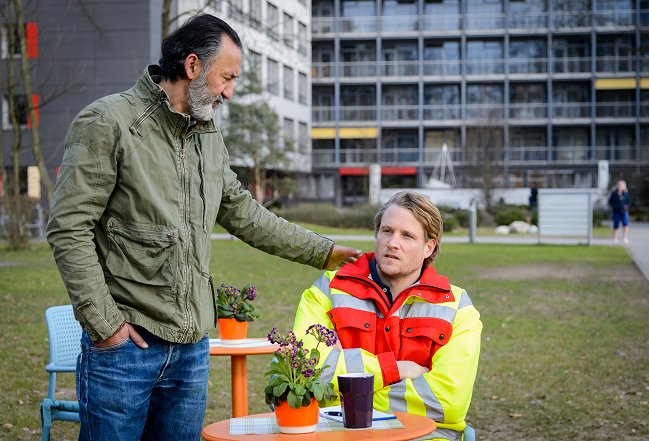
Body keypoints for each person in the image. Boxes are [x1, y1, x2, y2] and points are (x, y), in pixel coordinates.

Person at [46, 14, 361, 441]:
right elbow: (69, 228)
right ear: (192, 66)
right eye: (226, 78)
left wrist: (324, 252)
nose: (229, 92)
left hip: (191, 350)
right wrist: (107, 329)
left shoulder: (207, 134)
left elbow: (244, 213)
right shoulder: (108, 122)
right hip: (124, 349)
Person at [293, 191, 482, 441]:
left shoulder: (457, 307)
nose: (393, 242)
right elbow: (302, 374)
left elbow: (447, 402)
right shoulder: (328, 290)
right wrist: (396, 370)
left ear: (429, 247)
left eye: (407, 235)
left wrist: (344, 397)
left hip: (424, 436)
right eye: (387, 231)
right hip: (339, 434)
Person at [608, 179, 630, 244]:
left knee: (625, 224)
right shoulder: (614, 194)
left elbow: (628, 202)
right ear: (617, 186)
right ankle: (615, 238)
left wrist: (627, 206)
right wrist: (614, 206)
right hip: (616, 211)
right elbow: (610, 202)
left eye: (622, 185)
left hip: (624, 211)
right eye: (619, 185)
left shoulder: (626, 194)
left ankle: (625, 238)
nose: (621, 186)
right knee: (616, 225)